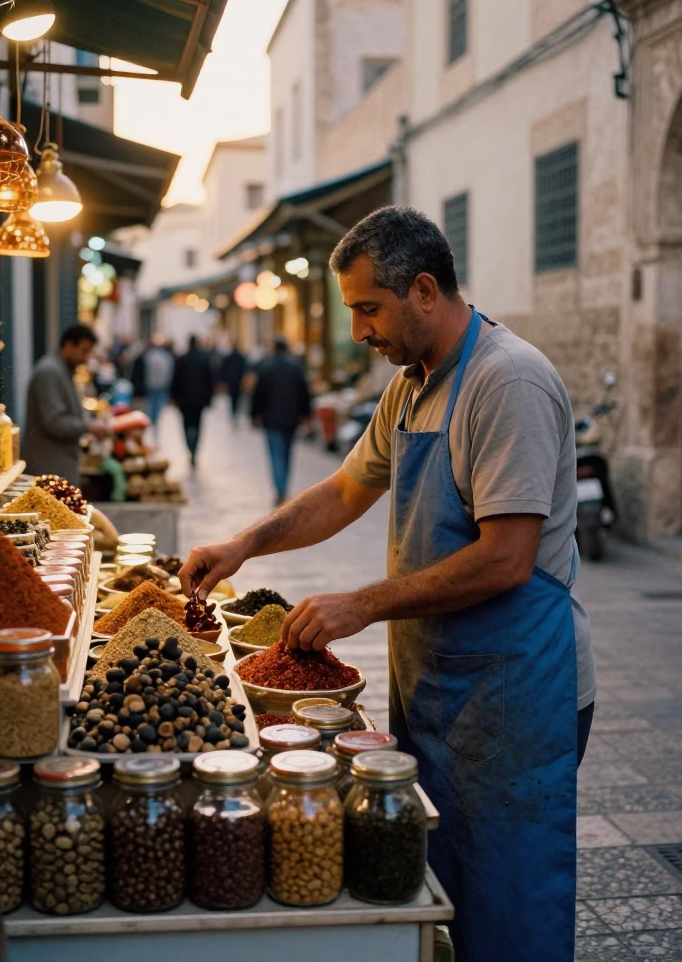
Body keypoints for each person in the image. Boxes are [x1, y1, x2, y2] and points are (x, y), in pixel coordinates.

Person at [179, 206, 596, 962]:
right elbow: (343, 491)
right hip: (438, 680)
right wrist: (243, 545)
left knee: (510, 901)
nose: (360, 330)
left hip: (516, 687)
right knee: (442, 890)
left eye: (368, 308)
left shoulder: (508, 383)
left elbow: (507, 558)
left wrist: (361, 604)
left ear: (425, 290)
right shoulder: (411, 386)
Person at [22, 324, 109, 485]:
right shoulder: (49, 372)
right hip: (49, 464)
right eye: (83, 351)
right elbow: (54, 422)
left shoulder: (61, 370)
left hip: (57, 463)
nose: (86, 357)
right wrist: (88, 426)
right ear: (68, 345)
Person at [250, 336, 311, 505]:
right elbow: (304, 393)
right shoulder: (295, 367)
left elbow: (258, 394)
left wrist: (254, 415)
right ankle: (283, 487)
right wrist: (306, 415)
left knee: (276, 455)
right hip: (291, 419)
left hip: (271, 419)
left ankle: (280, 488)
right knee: (286, 454)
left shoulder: (266, 367)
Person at [171, 334, 215, 469]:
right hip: (199, 400)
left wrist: (174, 397)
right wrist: (209, 398)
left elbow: (175, 380)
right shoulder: (204, 360)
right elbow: (210, 380)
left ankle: (190, 449)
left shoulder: (182, 360)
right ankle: (194, 449)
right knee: (197, 425)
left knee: (186, 425)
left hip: (185, 400)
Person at [130, 334, 175, 430]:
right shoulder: (165, 356)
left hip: (152, 385)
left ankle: (152, 423)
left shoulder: (149, 356)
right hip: (160, 385)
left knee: (151, 406)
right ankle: (154, 423)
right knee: (156, 406)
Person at [218, 343, 248, 423]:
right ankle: (235, 414)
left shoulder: (228, 358)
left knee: (232, 399)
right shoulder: (241, 358)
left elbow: (223, 370)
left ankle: (233, 413)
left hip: (231, 382)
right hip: (238, 381)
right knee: (237, 399)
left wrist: (223, 380)